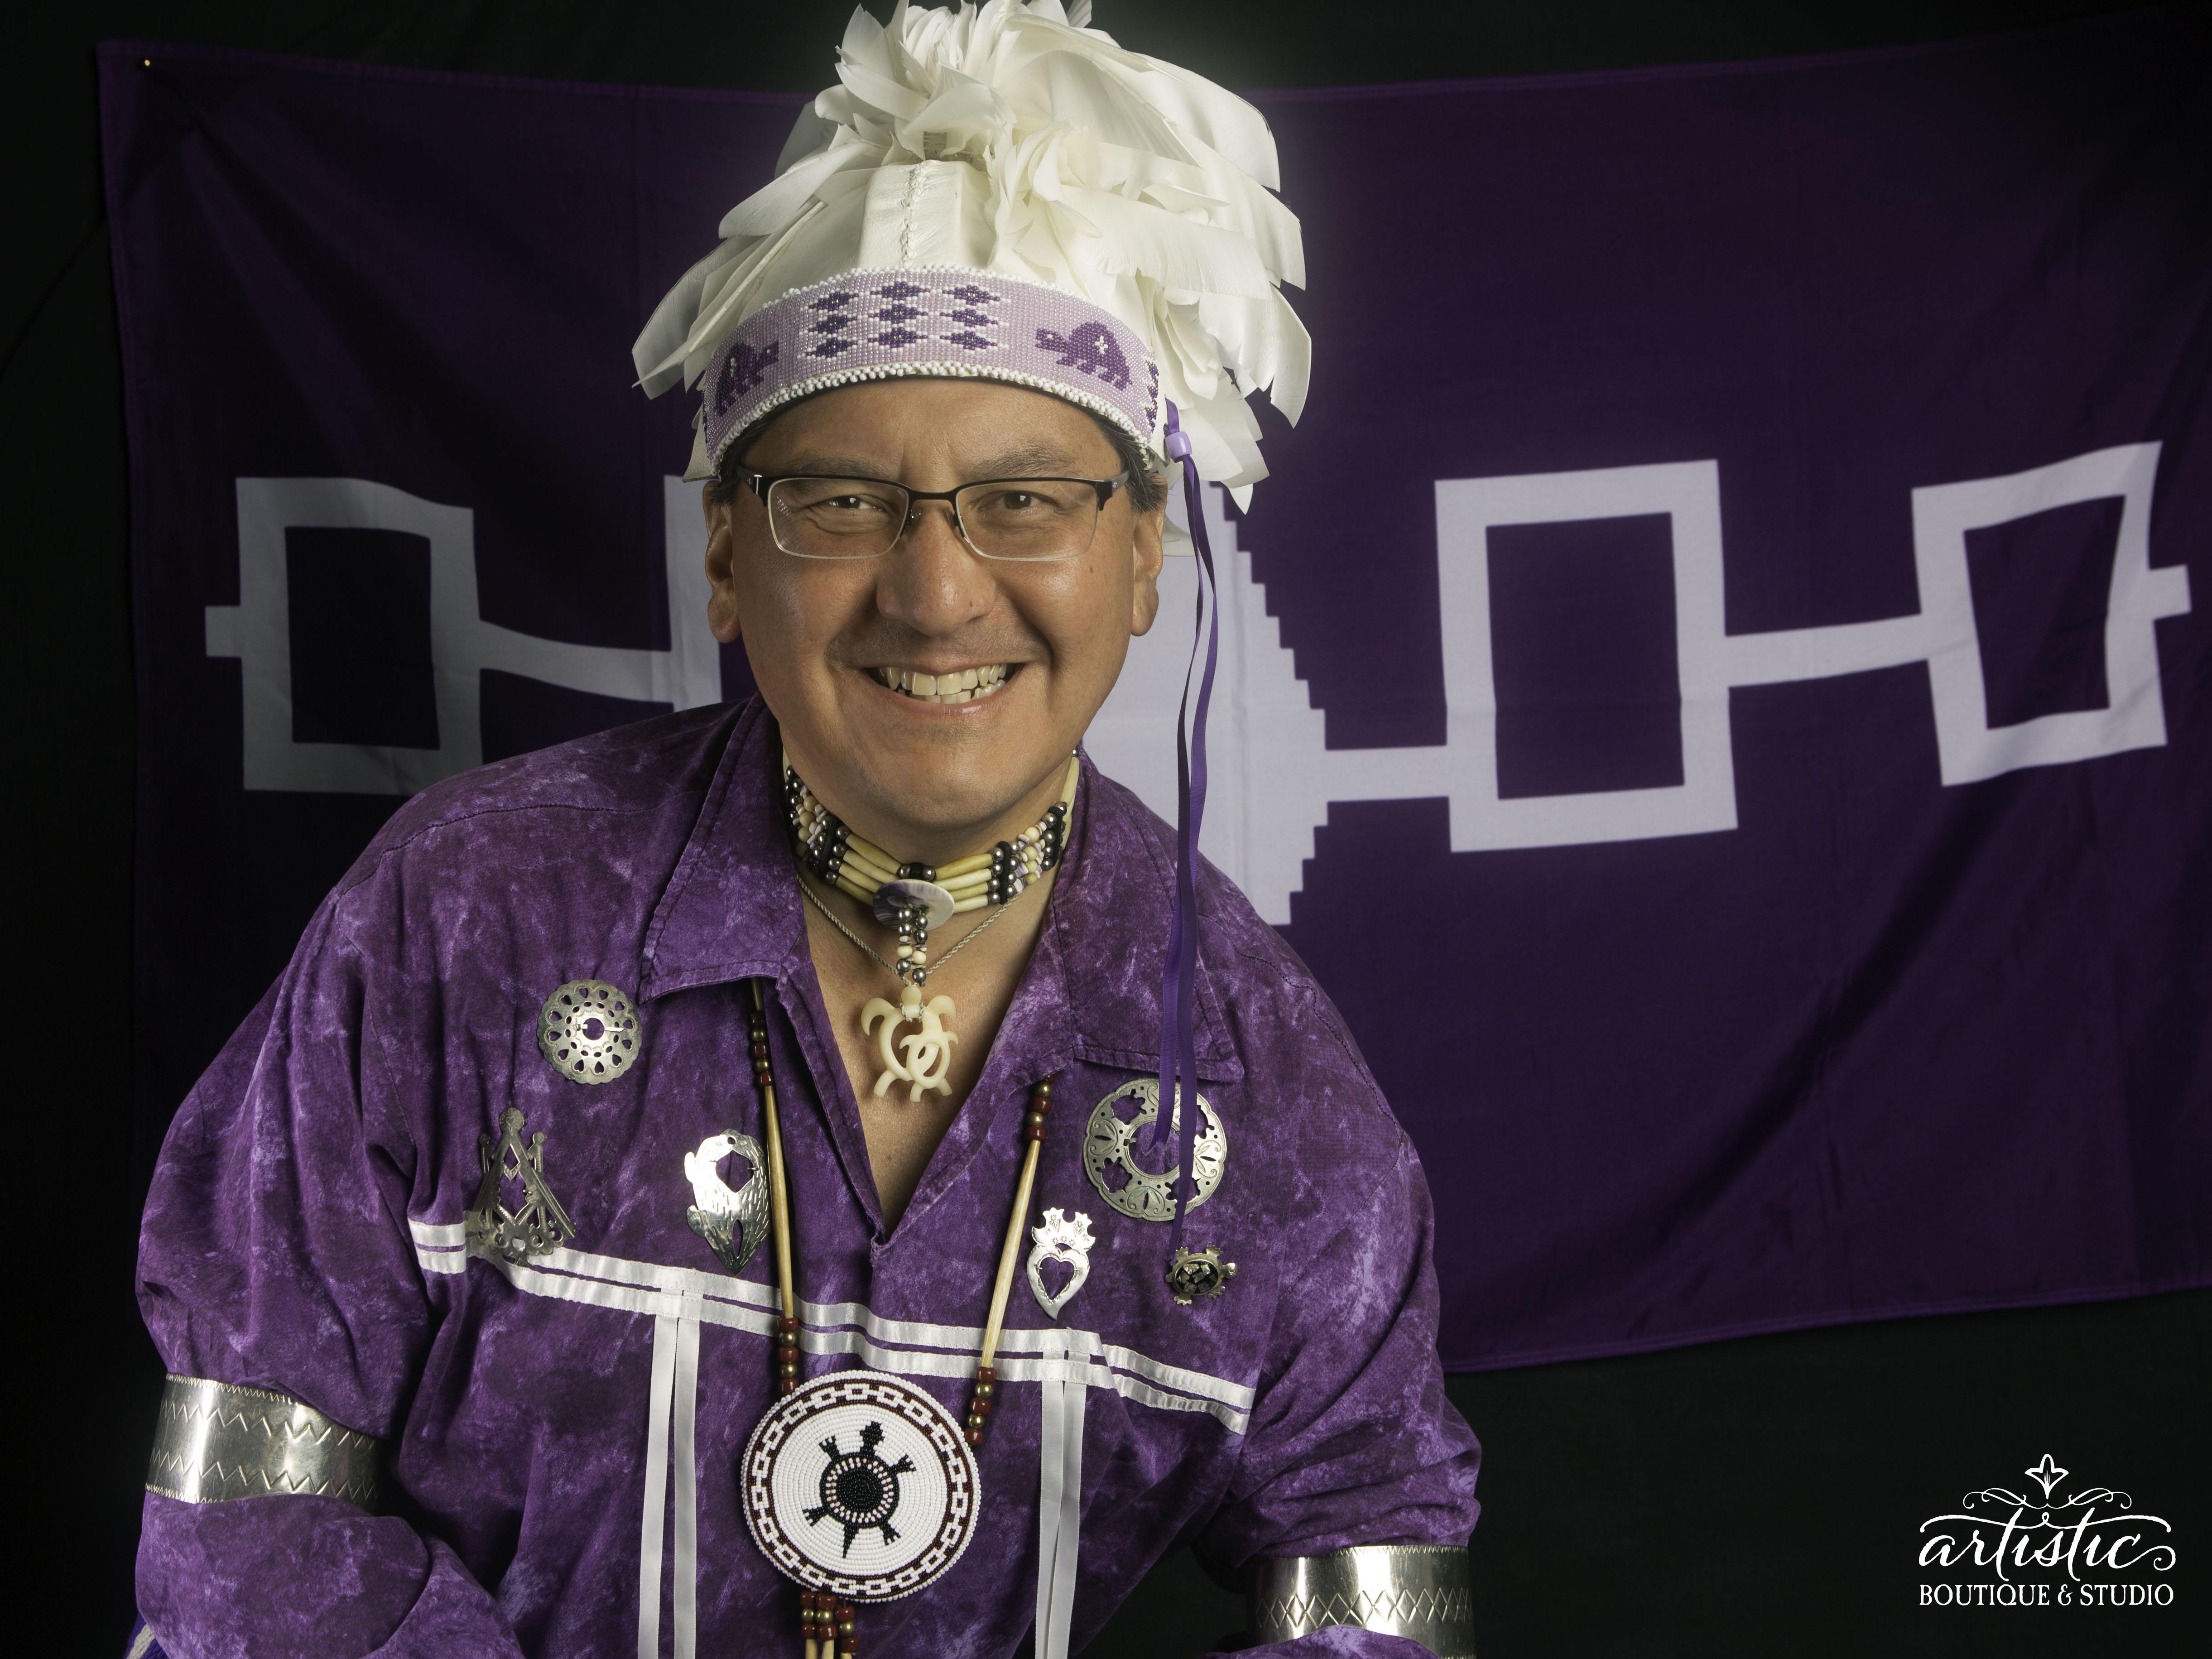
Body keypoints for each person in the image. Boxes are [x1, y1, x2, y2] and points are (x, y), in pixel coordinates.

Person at [132, 5, 1480, 1656]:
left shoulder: (1270, 1092)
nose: (931, 593)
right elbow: (246, 1513)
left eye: (1026, 500)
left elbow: (1377, 1577)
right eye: (839, 501)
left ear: (1143, 559)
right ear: (725, 556)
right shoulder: (463, 916)